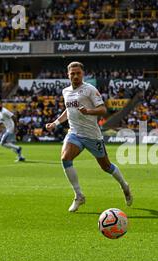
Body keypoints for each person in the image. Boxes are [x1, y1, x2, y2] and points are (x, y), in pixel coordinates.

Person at [46, 62, 132, 212]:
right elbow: (68, 110)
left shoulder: (89, 90)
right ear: (68, 75)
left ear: (82, 74)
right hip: (74, 133)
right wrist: (55, 123)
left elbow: (103, 109)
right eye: (72, 73)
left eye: (78, 73)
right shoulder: (66, 91)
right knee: (65, 158)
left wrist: (88, 111)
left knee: (106, 167)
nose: (75, 76)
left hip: (92, 135)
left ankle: (124, 186)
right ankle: (79, 196)